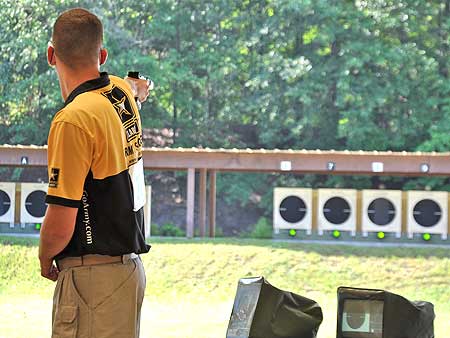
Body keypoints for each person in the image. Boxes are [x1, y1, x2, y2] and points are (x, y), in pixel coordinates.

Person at [38, 7, 151, 338]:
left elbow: (61, 217)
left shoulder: (73, 120)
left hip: (93, 281)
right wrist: (140, 89)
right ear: (101, 55)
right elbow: (134, 90)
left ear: (50, 55)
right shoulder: (119, 93)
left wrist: (46, 256)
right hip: (126, 272)